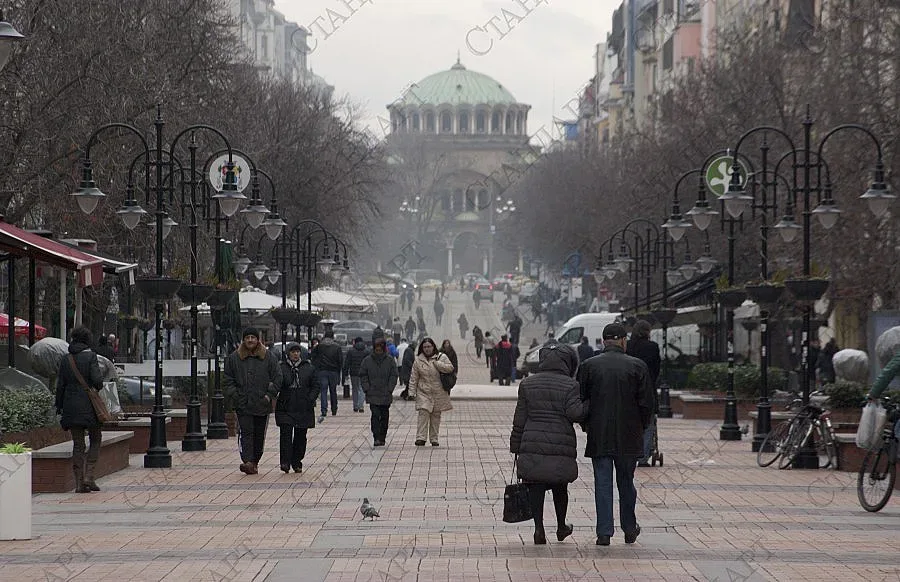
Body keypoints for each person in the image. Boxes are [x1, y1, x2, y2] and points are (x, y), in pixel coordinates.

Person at [578, 323, 654, 546]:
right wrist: (641, 428)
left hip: (599, 434)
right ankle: (629, 527)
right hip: (629, 435)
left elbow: (581, 401)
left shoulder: (589, 366)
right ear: (623, 341)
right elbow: (647, 404)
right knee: (626, 481)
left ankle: (604, 532)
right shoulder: (638, 366)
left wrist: (587, 425)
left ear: (604, 341)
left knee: (602, 483)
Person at [510, 343, 588, 545]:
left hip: (532, 440)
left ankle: (539, 529)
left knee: (535, 485)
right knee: (559, 486)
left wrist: (515, 444)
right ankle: (561, 526)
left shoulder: (528, 384)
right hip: (560, 443)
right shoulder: (571, 385)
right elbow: (575, 413)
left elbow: (520, 417)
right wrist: (588, 403)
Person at [224, 327, 281, 475]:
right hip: (242, 403)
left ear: (258, 340)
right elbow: (228, 379)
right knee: (246, 432)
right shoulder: (234, 358)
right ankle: (247, 460)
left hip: (262, 403)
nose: (250, 340)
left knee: (259, 434)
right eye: (247, 337)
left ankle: (255, 461)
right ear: (244, 339)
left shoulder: (268, 357)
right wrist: (235, 395)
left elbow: (277, 377)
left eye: (253, 337)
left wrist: (269, 395)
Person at [56, 325, 105, 493]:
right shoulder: (91, 357)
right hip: (90, 407)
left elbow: (60, 386)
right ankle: (89, 476)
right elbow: (97, 381)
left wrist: (59, 407)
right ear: (87, 340)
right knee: (96, 439)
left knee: (78, 444)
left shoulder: (65, 359)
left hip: (70, 407)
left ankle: (78, 483)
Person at [275, 342, 317, 473]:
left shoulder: (308, 368)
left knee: (300, 435)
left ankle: (297, 461)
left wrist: (310, 398)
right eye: (293, 352)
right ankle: (285, 462)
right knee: (285, 434)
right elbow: (276, 383)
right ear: (288, 353)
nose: (295, 354)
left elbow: (315, 385)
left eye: (297, 351)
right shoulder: (281, 367)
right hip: (286, 405)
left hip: (303, 406)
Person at [626, 320, 661, 467]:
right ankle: (643, 456)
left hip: (629, 391)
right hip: (648, 389)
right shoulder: (652, 347)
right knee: (648, 424)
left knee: (630, 423)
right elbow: (657, 369)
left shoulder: (628, 346)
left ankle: (630, 453)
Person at [408, 337, 455, 446]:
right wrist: (411, 392)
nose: (427, 349)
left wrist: (437, 364)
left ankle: (434, 438)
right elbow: (414, 377)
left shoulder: (441, 357)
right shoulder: (418, 361)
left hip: (438, 391)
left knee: (435, 415)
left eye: (429, 346)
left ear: (433, 346)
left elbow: (450, 368)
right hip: (423, 391)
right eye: (425, 347)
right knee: (423, 413)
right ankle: (421, 438)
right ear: (422, 348)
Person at [360, 337, 399, 446]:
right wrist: (366, 388)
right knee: (375, 415)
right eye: (376, 349)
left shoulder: (390, 360)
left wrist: (390, 388)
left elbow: (394, 375)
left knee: (385, 416)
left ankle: (382, 436)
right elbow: (363, 375)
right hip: (372, 393)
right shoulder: (367, 360)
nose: (378, 351)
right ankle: (376, 436)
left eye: (380, 349)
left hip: (385, 393)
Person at [312, 330, 343, 422]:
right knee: (333, 391)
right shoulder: (337, 347)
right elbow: (340, 361)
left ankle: (324, 410)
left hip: (322, 371)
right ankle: (334, 409)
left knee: (323, 391)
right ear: (333, 337)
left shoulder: (319, 346)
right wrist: (339, 371)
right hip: (333, 371)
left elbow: (314, 357)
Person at [342, 337, 370, 413]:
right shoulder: (366, 351)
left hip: (354, 373)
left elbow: (347, 363)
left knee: (355, 389)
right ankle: (361, 406)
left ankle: (355, 406)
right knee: (362, 389)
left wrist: (345, 373)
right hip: (364, 373)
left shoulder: (351, 351)